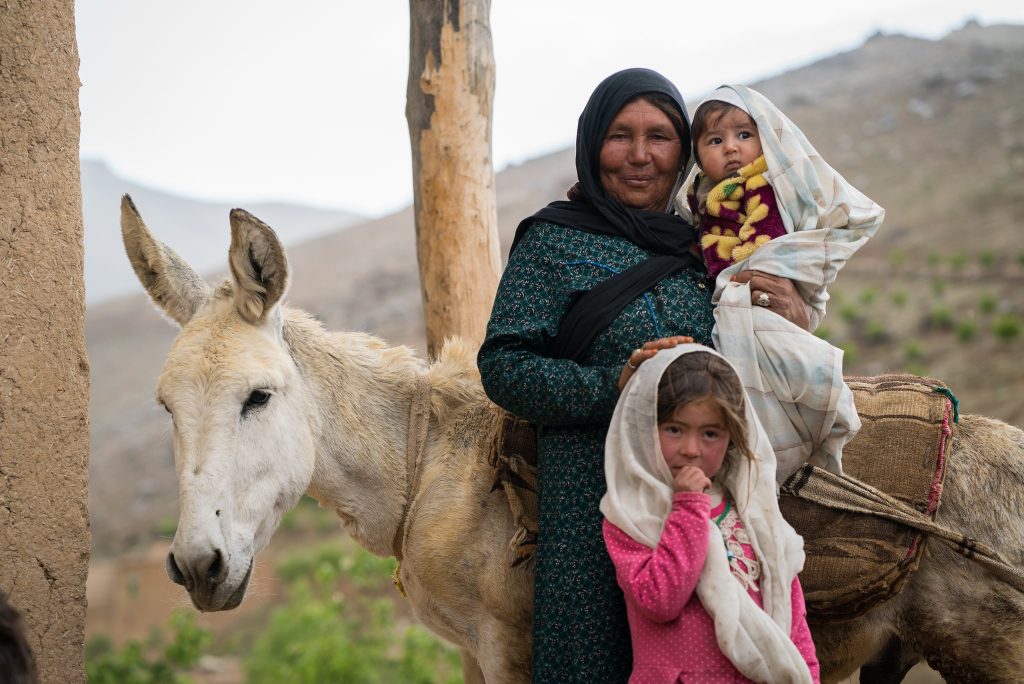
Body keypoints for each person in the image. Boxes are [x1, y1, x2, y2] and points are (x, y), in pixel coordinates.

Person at [477, 68, 811, 682]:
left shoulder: (704, 246)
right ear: (590, 142)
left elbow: (751, 357)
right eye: (619, 135)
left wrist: (794, 320)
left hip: (709, 496)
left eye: (659, 136)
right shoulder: (552, 242)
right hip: (589, 500)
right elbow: (502, 366)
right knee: (593, 659)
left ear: (682, 151)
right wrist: (613, 385)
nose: (639, 156)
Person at [679, 85, 885, 478]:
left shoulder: (773, 185)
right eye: (715, 141)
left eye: (744, 135)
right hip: (732, 295)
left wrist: (771, 266)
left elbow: (793, 240)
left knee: (796, 360)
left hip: (765, 287)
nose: (731, 149)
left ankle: (822, 417)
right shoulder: (701, 198)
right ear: (697, 155)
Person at [601, 344, 819, 683]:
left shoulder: (751, 510)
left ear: (732, 438)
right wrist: (687, 506)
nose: (691, 449)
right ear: (646, 427)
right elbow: (659, 600)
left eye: (710, 434)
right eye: (674, 429)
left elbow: (793, 620)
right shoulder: (632, 516)